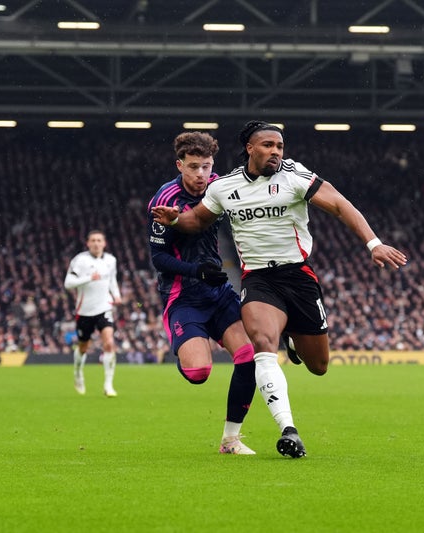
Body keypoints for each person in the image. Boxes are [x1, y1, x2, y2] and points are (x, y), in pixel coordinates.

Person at [152, 120, 408, 456]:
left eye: (280, 147)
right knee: (260, 347)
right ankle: (288, 430)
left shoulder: (296, 176)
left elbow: (340, 205)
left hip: (299, 278)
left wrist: (373, 243)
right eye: (268, 145)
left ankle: (290, 336)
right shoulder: (225, 187)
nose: (276, 152)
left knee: (318, 365)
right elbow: (197, 220)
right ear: (250, 148)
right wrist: (173, 219)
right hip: (258, 279)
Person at [148, 130, 300, 457]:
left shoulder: (221, 187)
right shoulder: (165, 200)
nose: (200, 175)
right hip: (184, 297)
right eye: (193, 167)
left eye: (205, 167)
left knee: (249, 357)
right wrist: (195, 270)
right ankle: (186, 346)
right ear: (180, 165)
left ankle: (230, 440)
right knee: (199, 372)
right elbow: (158, 258)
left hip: (218, 292)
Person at [64, 230, 122, 397]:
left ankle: (108, 385)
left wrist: (116, 295)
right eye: (93, 240)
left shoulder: (111, 260)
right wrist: (89, 278)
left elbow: (112, 280)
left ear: (104, 243)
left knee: (109, 343)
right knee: (84, 347)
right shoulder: (80, 260)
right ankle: (78, 372)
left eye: (99, 240)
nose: (96, 243)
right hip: (84, 311)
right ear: (88, 243)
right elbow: (68, 283)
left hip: (104, 307)